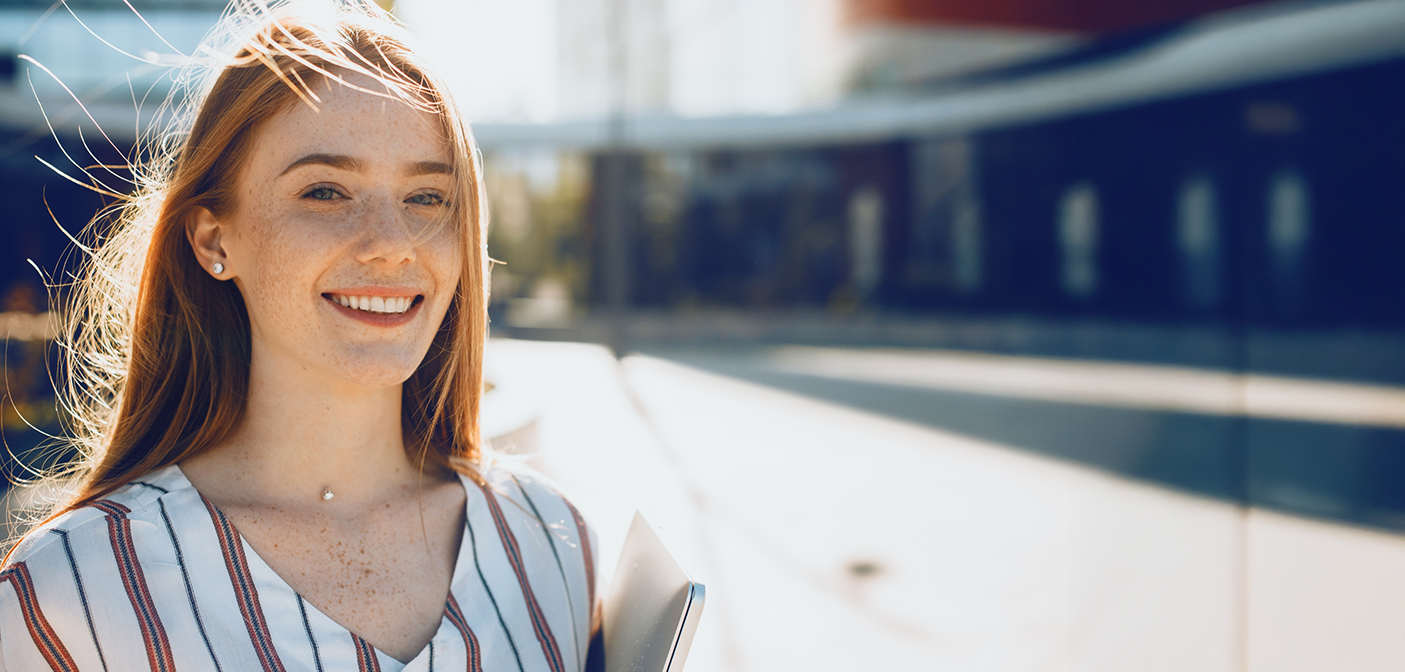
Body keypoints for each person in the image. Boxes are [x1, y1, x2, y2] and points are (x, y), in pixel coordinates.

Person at [0, 2, 599, 670]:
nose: (391, 245)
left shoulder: (554, 546)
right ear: (212, 239)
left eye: (427, 197)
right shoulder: (68, 593)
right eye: (324, 192)